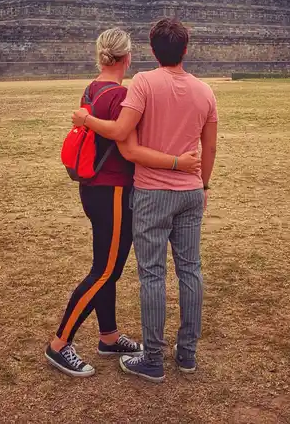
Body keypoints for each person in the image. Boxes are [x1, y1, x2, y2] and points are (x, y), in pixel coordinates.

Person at [47, 28, 202, 379]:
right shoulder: (121, 96)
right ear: (128, 57)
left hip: (93, 188)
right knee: (104, 271)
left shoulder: (93, 88)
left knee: (107, 266)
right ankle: (59, 344)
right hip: (114, 190)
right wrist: (178, 162)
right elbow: (125, 143)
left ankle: (109, 336)